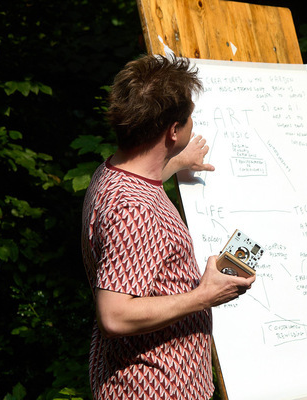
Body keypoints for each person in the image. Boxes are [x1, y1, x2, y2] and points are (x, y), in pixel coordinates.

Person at [81, 54, 256, 400]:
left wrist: (175, 162)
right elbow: (114, 316)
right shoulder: (132, 209)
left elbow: (139, 191)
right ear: (173, 131)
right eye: (189, 118)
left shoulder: (113, 173)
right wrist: (204, 296)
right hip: (152, 389)